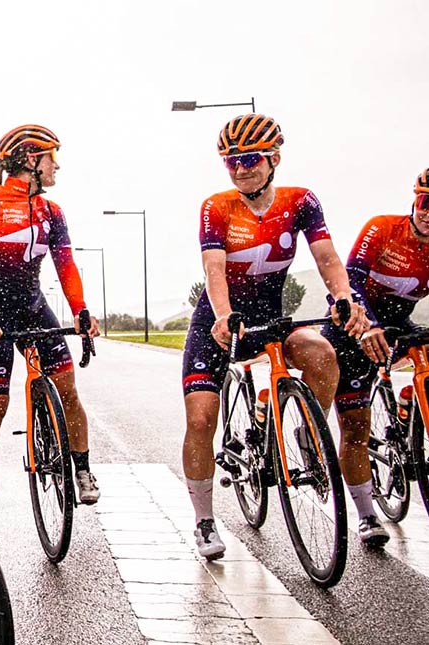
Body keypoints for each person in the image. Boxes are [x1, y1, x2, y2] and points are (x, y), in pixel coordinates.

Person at [181, 114, 367, 560]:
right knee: (201, 419)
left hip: (271, 317)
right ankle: (204, 520)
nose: (241, 168)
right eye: (232, 162)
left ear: (274, 158)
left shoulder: (300, 202)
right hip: (220, 322)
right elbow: (215, 270)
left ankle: (306, 431)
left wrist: (343, 295)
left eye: (251, 159)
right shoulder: (217, 207)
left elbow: (325, 256)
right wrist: (224, 317)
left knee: (322, 355)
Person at [0, 124, 102, 545]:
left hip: (32, 306)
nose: (56, 165)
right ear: (29, 160)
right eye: (50, 157)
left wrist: (80, 311)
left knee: (68, 389)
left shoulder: (51, 211)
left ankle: (81, 468)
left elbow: (66, 266)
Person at [321, 168, 429, 547]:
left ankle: (408, 409)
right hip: (352, 326)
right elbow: (349, 279)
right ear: (414, 199)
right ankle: (367, 516)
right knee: (354, 426)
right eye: (425, 202)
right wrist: (366, 325)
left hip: (398, 326)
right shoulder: (383, 228)